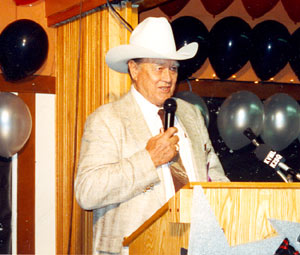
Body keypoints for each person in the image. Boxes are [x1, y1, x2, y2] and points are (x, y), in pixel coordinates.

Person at [75, 17, 229, 255]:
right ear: (134, 69)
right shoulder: (107, 119)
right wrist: (148, 159)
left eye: (173, 68)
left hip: (196, 245)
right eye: (159, 67)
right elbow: (88, 192)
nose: (168, 77)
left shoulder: (190, 114)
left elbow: (215, 178)